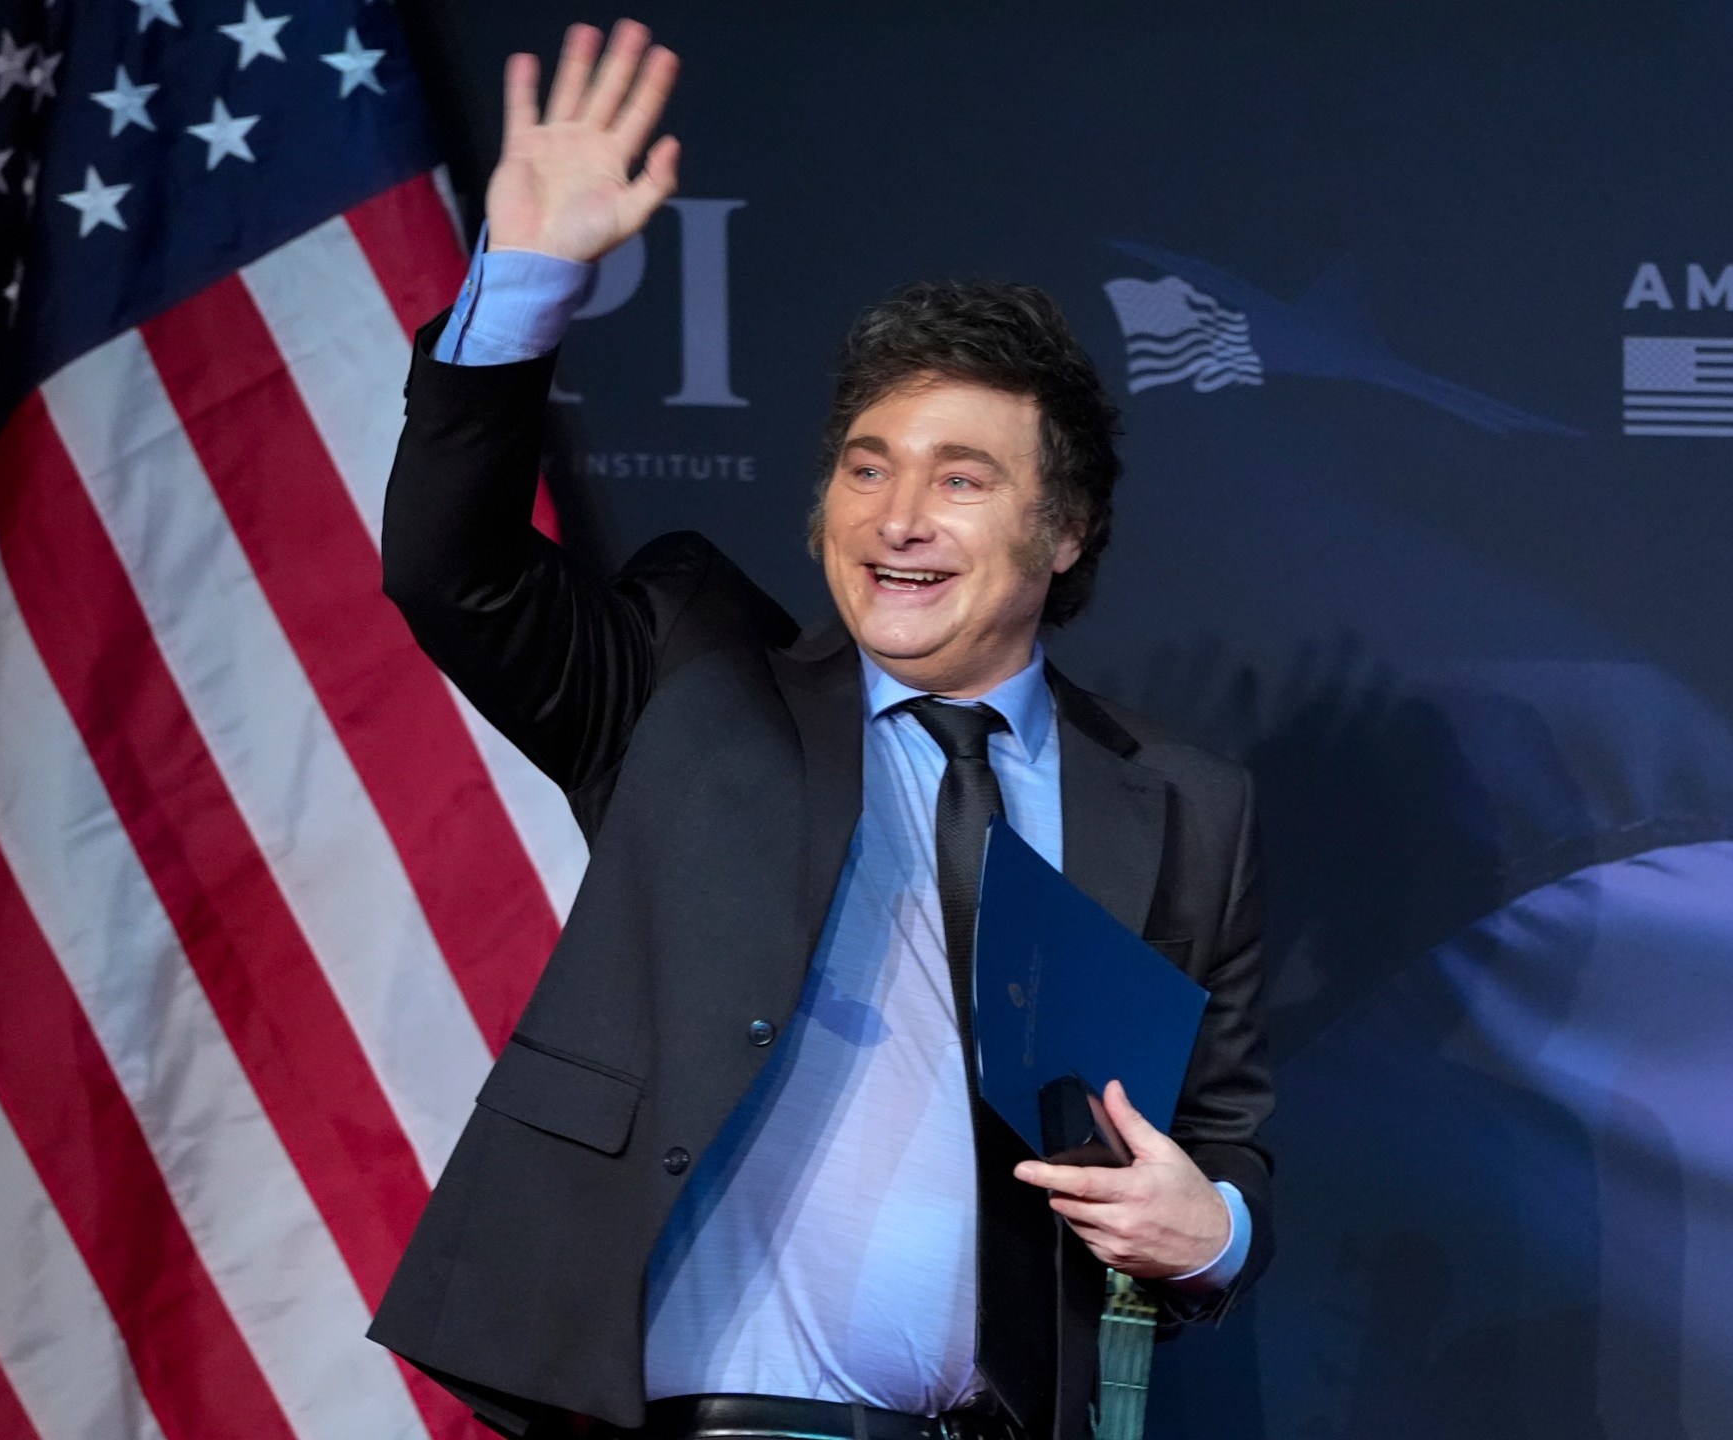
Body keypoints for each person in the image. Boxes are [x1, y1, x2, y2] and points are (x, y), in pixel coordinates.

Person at [365, 21, 1275, 1440]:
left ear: (1066, 531)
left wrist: (1209, 1230)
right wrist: (527, 280)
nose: (897, 517)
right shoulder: (690, 679)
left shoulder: (1179, 806)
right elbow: (449, 567)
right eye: (867, 466)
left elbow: (1224, 1146)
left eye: (961, 479)